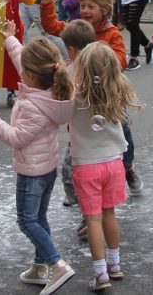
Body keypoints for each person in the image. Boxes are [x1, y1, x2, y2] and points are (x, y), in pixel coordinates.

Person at [0, 31, 75, 295]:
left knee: (26, 221)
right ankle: (39, 266)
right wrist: (10, 38)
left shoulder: (34, 104)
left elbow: (16, 137)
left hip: (31, 173)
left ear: (31, 76)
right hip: (47, 169)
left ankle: (56, 264)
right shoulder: (51, 90)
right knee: (39, 217)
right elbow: (23, 59)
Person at [39, 0, 141, 197]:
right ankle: (79, 189)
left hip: (108, 98)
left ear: (104, 10)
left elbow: (121, 60)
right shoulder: (77, 28)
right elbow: (51, 26)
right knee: (78, 131)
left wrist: (101, 52)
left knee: (123, 134)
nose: (84, 10)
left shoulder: (112, 34)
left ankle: (128, 168)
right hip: (83, 98)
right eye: (82, 5)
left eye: (91, 6)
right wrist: (48, 2)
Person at [68, 43, 141, 291]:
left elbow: (60, 114)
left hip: (86, 166)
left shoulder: (76, 92)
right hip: (114, 164)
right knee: (109, 214)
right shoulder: (115, 89)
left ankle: (100, 275)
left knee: (93, 220)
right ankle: (115, 265)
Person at [56, 19, 96, 208]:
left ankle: (81, 207)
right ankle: (85, 205)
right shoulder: (100, 67)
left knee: (70, 170)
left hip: (78, 136)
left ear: (71, 50)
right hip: (97, 136)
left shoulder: (70, 72)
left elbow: (62, 104)